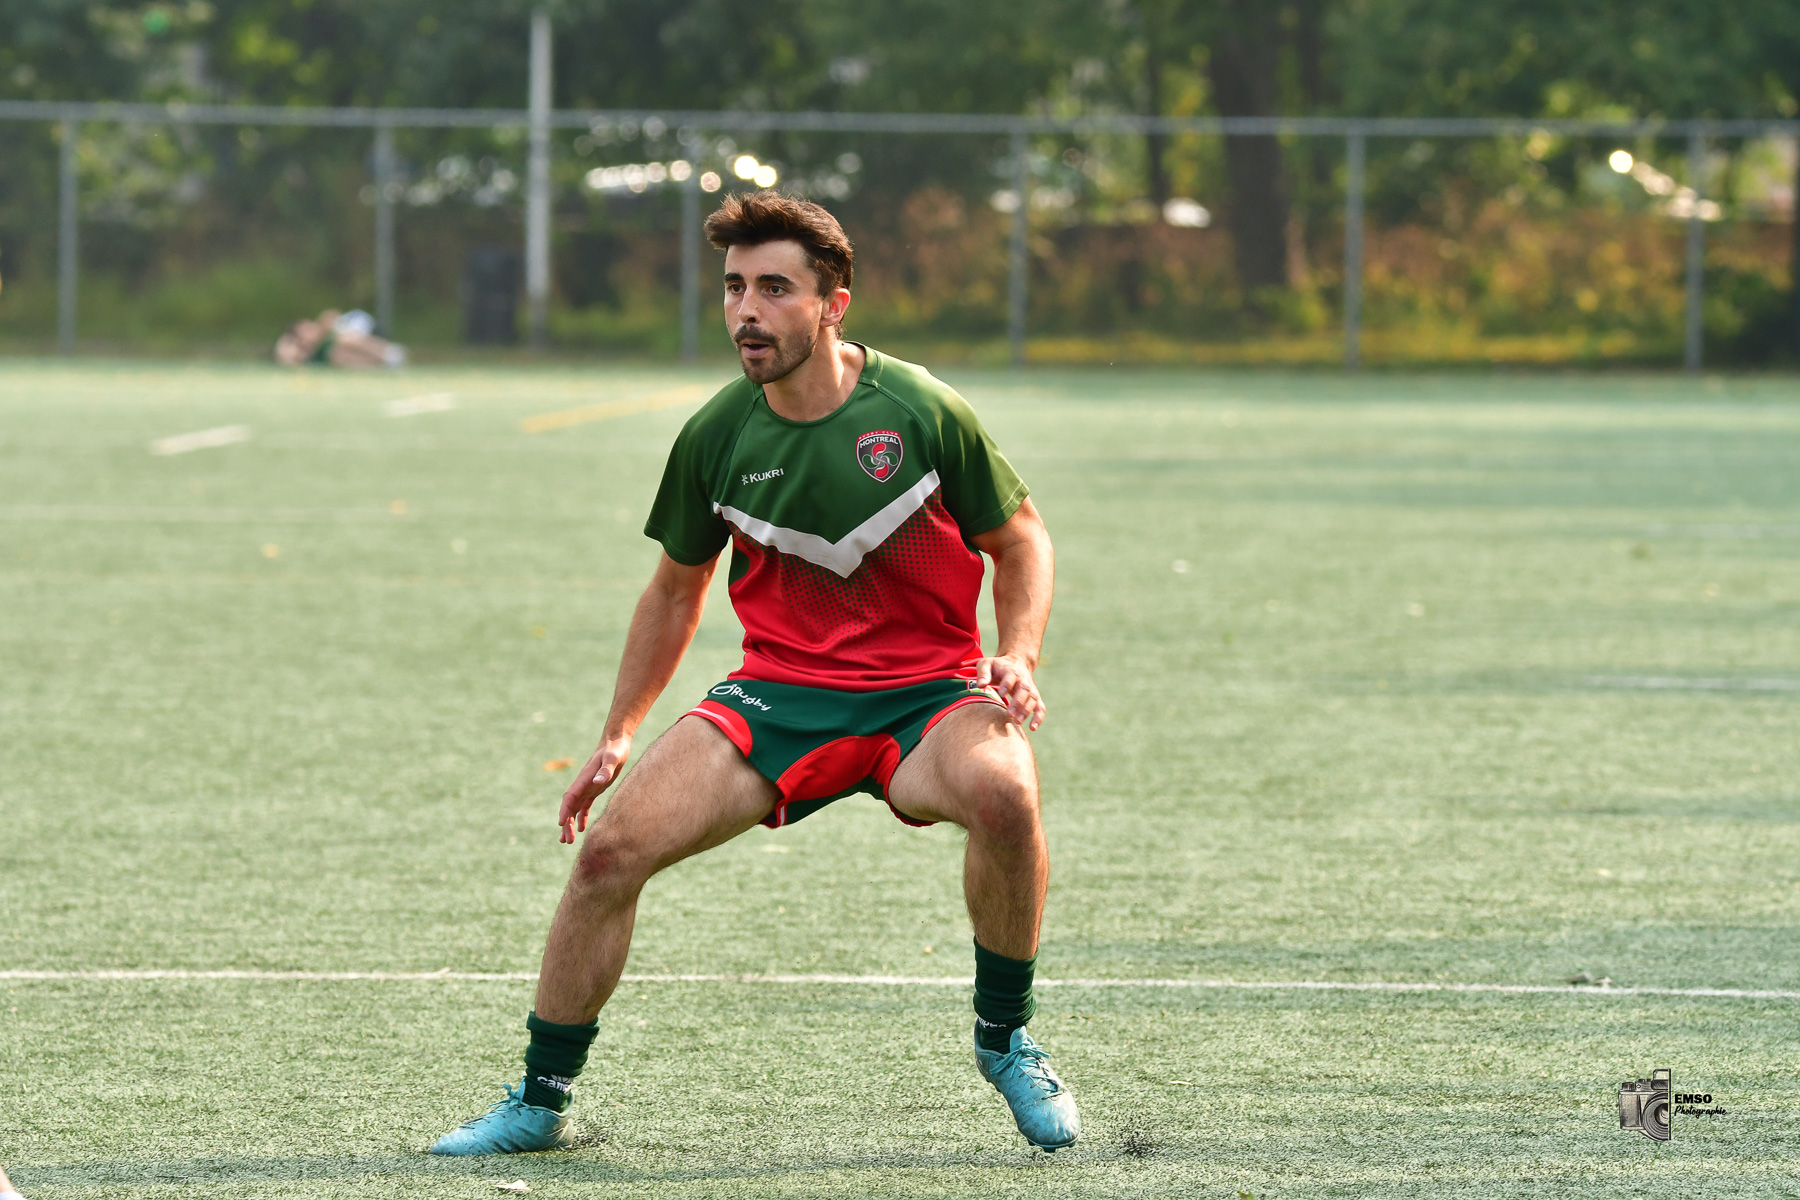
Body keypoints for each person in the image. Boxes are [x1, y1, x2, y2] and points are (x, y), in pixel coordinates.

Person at [430, 192, 1076, 1155]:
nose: (746, 311)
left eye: (774, 288)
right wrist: (617, 732)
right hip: (779, 699)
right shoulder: (716, 435)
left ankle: (1005, 1041)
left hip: (926, 696)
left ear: (833, 305)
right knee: (608, 855)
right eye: (734, 288)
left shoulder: (921, 411)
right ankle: (537, 1099)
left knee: (1009, 797)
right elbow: (674, 591)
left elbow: (1022, 541)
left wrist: (1015, 654)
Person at [273, 309, 406, 368]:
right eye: (304, 333)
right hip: (348, 355)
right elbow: (286, 358)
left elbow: (335, 317)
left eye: (308, 327)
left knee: (344, 341)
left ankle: (389, 354)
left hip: (366, 331)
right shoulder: (308, 352)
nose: (309, 332)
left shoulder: (325, 325)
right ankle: (383, 366)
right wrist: (287, 342)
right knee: (338, 356)